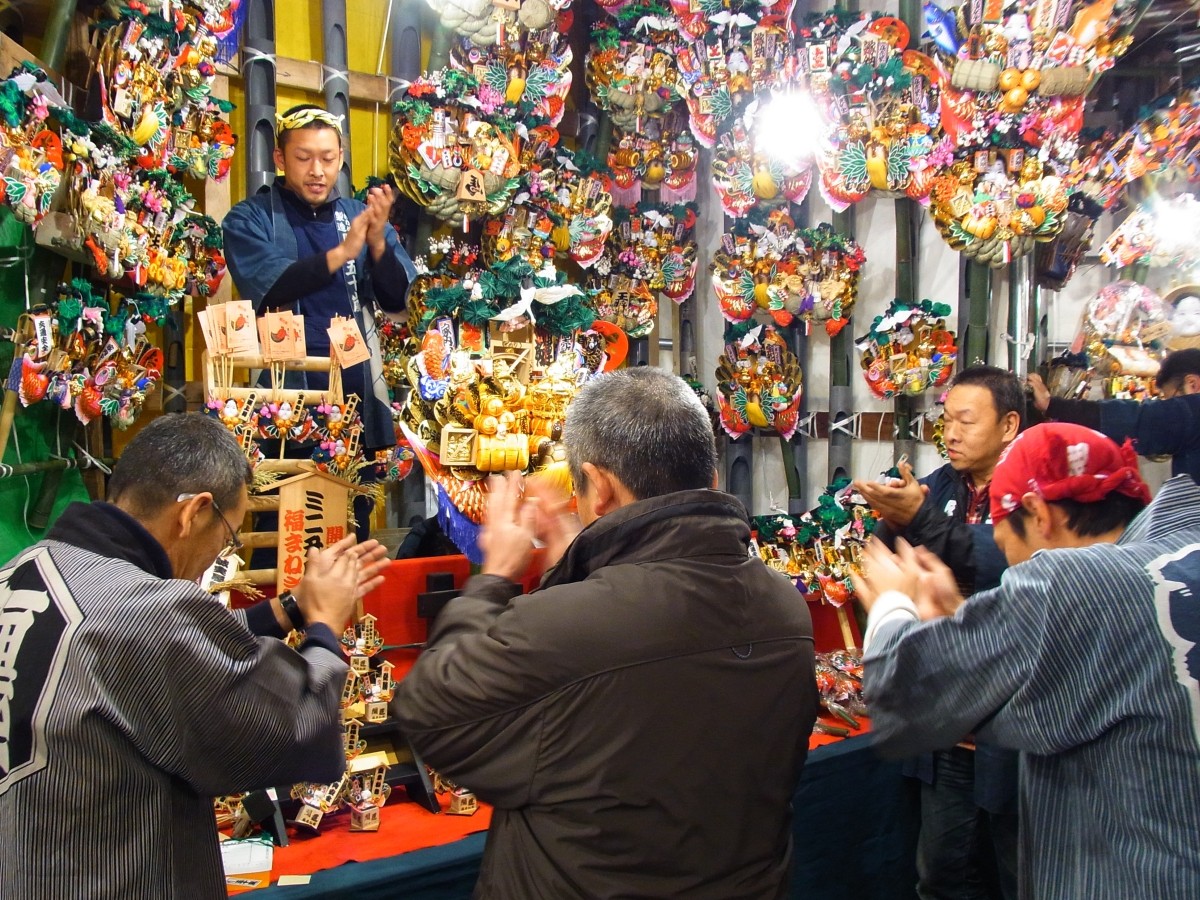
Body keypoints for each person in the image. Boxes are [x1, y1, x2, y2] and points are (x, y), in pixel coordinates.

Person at [392, 368, 818, 899]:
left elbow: (428, 709)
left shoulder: (568, 623)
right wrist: (581, 562)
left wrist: (494, 577)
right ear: (711, 479)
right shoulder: (784, 607)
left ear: (599, 487)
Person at [0, 413, 389, 899]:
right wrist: (327, 625)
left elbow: (174, 660)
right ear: (194, 513)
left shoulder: (24, 571)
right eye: (229, 536)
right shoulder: (144, 611)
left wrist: (291, 607)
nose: (220, 551)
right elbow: (296, 724)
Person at [854, 422, 1200, 898]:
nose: (1013, 564)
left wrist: (895, 608)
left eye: (1004, 545)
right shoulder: (1176, 554)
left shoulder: (1076, 582)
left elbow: (907, 697)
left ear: (1038, 514)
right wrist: (960, 618)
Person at [853, 365, 1022, 900]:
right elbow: (894, 557)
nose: (950, 433)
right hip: (950, 723)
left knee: (1019, 876)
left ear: (1010, 426)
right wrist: (892, 515)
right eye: (946, 420)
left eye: (966, 422)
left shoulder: (1029, 493)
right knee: (940, 876)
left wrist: (920, 519)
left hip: (1012, 724)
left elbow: (1001, 561)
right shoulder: (939, 484)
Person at [222, 103, 416, 452]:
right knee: (285, 498)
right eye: (303, 157)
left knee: (355, 499)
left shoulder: (359, 216)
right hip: (283, 390)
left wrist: (375, 244)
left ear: (340, 157)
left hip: (355, 385)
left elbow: (397, 301)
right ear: (280, 158)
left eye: (327, 159)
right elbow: (270, 286)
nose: (317, 171)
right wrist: (341, 253)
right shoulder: (249, 218)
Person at [1028, 347, 1200, 483]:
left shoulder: (1193, 409)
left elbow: (1136, 420)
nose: (1168, 407)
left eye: (1172, 400)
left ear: (1193, 384)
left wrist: (1053, 405)